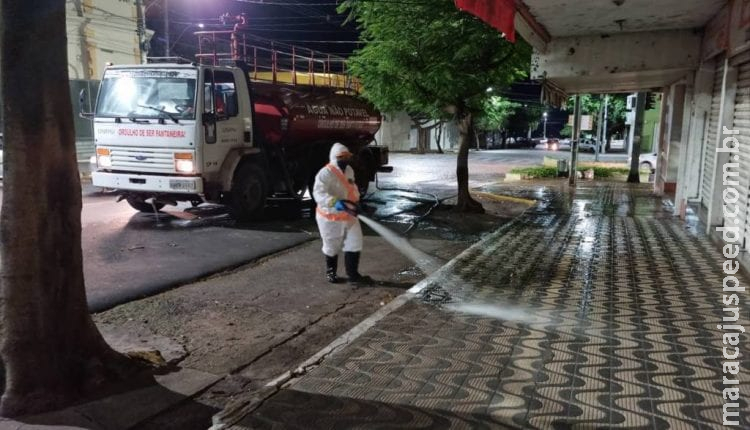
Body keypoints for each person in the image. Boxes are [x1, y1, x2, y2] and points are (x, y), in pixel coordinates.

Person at [313, 143, 371, 284]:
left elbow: (351, 188)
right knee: (332, 246)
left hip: (348, 214)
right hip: (330, 217)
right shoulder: (325, 173)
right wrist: (334, 202)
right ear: (334, 157)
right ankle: (331, 272)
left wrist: (356, 203)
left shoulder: (349, 170)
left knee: (355, 242)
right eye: (341, 157)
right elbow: (318, 193)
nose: (345, 160)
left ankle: (353, 275)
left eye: (347, 157)